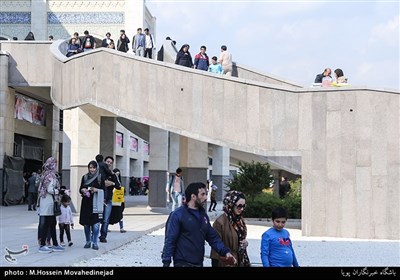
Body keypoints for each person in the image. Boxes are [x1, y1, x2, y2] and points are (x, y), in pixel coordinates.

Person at [161, 182, 237, 267]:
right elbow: (170, 240)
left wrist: (225, 252)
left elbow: (212, 237)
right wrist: (166, 262)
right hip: (182, 263)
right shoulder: (178, 215)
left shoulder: (203, 215)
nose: (205, 197)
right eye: (203, 194)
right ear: (193, 196)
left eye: (206, 194)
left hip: (198, 263)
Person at [210, 190, 251, 267]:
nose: (242, 209)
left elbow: (239, 238)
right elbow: (215, 249)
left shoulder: (240, 220)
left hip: (241, 260)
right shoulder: (220, 222)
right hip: (226, 262)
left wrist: (245, 243)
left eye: (243, 206)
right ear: (231, 204)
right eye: (239, 206)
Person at [37, 157, 65, 253]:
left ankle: (55, 244)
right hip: (49, 202)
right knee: (48, 224)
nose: (56, 166)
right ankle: (43, 245)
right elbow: (50, 190)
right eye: (55, 164)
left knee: (52, 223)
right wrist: (59, 191)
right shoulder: (51, 176)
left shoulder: (45, 174)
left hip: (45, 201)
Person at [79, 160, 105, 250]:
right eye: (90, 167)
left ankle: (95, 242)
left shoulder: (100, 177)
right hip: (86, 203)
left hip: (96, 204)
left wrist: (97, 190)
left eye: (94, 167)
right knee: (86, 224)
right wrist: (83, 190)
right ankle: (88, 241)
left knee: (96, 224)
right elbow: (81, 188)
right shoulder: (85, 177)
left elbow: (103, 189)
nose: (92, 169)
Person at [99, 156, 120, 243]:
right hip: (99, 199)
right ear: (104, 162)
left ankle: (103, 236)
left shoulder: (112, 174)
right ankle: (94, 233)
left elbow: (118, 186)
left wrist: (112, 183)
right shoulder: (99, 172)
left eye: (111, 163)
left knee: (106, 219)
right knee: (96, 218)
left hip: (108, 200)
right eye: (107, 161)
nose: (109, 163)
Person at [109, 168, 127, 233]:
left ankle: (121, 227)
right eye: (116, 174)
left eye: (118, 174)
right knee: (109, 214)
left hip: (119, 201)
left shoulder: (119, 182)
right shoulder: (111, 181)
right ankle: (106, 227)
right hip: (112, 200)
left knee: (120, 214)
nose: (117, 176)